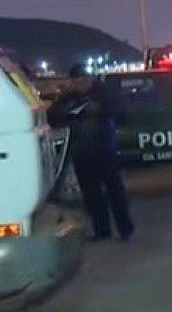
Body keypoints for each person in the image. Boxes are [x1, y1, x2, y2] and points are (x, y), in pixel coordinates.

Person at [52, 64, 134, 241]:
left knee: (115, 191)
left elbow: (123, 113)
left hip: (104, 149)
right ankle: (102, 231)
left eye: (83, 81)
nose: (80, 85)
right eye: (76, 82)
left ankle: (125, 229)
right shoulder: (69, 96)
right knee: (91, 194)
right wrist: (64, 102)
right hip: (81, 151)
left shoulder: (105, 91)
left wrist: (100, 110)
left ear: (89, 79)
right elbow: (54, 116)